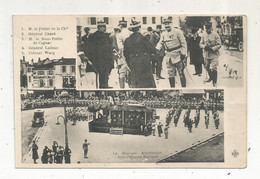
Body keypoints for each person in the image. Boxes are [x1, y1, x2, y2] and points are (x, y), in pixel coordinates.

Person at [124, 19, 157, 88]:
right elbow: (152, 49)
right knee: (146, 80)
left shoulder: (127, 40)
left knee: (135, 78)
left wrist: (129, 62)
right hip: (143, 60)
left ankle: (136, 93)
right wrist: (150, 58)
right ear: (139, 28)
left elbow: (126, 53)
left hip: (133, 60)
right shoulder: (143, 38)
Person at [156, 17, 187, 88]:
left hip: (178, 55)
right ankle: (173, 90)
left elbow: (183, 43)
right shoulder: (163, 34)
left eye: (168, 24)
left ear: (171, 24)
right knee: (170, 74)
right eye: (165, 24)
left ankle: (184, 89)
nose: (167, 25)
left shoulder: (178, 32)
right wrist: (157, 49)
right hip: (169, 56)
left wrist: (184, 53)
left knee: (181, 73)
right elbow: (160, 42)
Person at [88, 20, 114, 88]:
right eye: (102, 27)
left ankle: (105, 84)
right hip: (100, 58)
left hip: (107, 57)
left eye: (104, 27)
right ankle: (103, 86)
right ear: (99, 27)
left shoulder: (106, 35)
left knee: (106, 72)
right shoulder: (95, 36)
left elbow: (109, 46)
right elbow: (92, 48)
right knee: (102, 73)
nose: (104, 28)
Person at [200, 22, 222, 87]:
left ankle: (214, 82)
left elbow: (219, 44)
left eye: (208, 29)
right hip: (206, 55)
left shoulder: (216, 35)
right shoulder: (203, 35)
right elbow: (200, 44)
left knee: (213, 68)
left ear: (211, 28)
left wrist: (212, 48)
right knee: (207, 67)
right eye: (206, 29)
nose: (207, 30)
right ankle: (211, 77)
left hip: (214, 54)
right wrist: (204, 46)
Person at [116, 19, 132, 88]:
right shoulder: (130, 33)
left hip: (123, 54)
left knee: (122, 72)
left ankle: (122, 88)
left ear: (121, 26)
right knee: (131, 70)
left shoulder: (119, 34)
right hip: (131, 54)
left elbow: (120, 47)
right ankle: (131, 86)